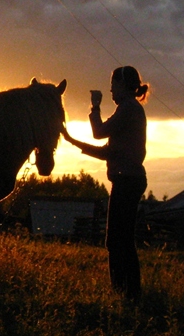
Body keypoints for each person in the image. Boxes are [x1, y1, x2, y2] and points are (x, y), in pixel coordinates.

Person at [62, 66, 148, 302]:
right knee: (121, 239)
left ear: (122, 85)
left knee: (118, 240)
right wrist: (72, 141)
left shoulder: (128, 108)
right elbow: (109, 151)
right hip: (129, 179)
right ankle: (128, 291)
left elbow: (99, 133)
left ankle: (124, 292)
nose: (110, 89)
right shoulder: (130, 110)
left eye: (113, 84)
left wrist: (95, 106)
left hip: (126, 181)